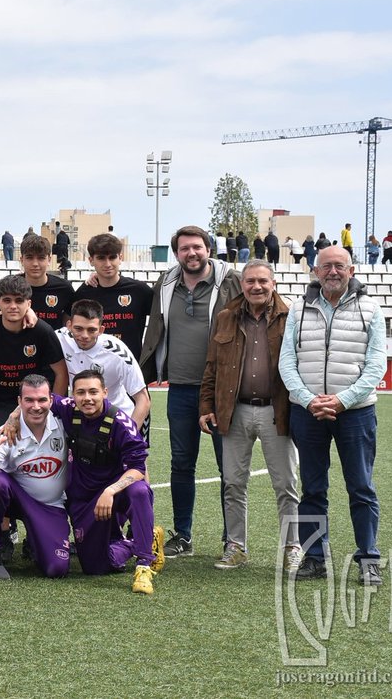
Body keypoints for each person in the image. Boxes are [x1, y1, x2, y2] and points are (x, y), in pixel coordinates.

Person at [280, 246, 386, 586]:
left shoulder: (371, 309)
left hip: (356, 413)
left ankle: (368, 557)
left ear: (351, 270)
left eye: (339, 266)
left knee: (361, 487)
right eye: (326, 266)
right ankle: (314, 559)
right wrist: (310, 400)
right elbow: (287, 362)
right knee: (313, 489)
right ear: (315, 271)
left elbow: (375, 365)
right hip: (307, 413)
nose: (333, 272)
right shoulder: (298, 309)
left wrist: (342, 400)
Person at [139, 225, 241, 558]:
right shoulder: (166, 284)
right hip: (181, 388)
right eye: (184, 249)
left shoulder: (232, 280)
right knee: (182, 464)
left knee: (230, 465)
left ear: (208, 248)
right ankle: (183, 535)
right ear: (177, 253)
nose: (191, 253)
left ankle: (232, 539)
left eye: (197, 247)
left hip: (223, 390)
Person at [198, 260, 300, 572]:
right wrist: (206, 406)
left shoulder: (291, 316)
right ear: (242, 284)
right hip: (235, 410)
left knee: (286, 485)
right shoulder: (226, 316)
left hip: (277, 411)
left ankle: (292, 548)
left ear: (273, 283)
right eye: (250, 281)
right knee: (233, 483)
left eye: (262, 281)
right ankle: (236, 547)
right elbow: (212, 365)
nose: (256, 287)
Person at [49, 370, 165, 594]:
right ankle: (141, 540)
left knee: (139, 491)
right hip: (84, 498)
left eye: (93, 392)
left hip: (115, 495)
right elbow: (42, 396)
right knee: (95, 567)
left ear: (105, 392)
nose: (87, 398)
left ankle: (144, 564)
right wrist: (15, 418)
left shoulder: (121, 423)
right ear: (73, 395)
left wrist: (110, 491)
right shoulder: (68, 407)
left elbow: (138, 468)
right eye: (80, 392)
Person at [0, 375, 71, 580]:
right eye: (29, 400)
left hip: (51, 505)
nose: (36, 406)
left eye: (42, 400)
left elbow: (92, 406)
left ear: (51, 400)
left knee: (56, 569)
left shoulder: (65, 423)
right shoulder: (6, 432)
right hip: (17, 499)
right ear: (19, 402)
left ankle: (36, 542)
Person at [0, 274, 67, 437]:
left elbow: (61, 373)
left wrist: (52, 410)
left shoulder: (42, 331)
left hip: (33, 401)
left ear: (29, 304)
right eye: (7, 300)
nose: (13, 306)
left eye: (19, 301)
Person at [57, 300, 150, 432]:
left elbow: (143, 399)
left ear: (101, 330)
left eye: (91, 330)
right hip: (81, 416)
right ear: (69, 325)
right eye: (78, 329)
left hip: (117, 417)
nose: (84, 335)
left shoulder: (118, 352)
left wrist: (129, 436)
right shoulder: (59, 338)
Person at [74, 233, 154, 361]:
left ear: (120, 258)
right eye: (101, 258)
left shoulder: (139, 290)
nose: (108, 264)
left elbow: (161, 320)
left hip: (130, 366)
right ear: (91, 260)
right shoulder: (83, 294)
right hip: (93, 368)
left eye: (112, 257)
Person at [19, 234, 75, 329]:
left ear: (49, 260)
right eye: (29, 258)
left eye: (41, 258)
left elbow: (69, 325)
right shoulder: (11, 287)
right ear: (21, 260)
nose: (35, 264)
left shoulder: (64, 288)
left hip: (52, 343)